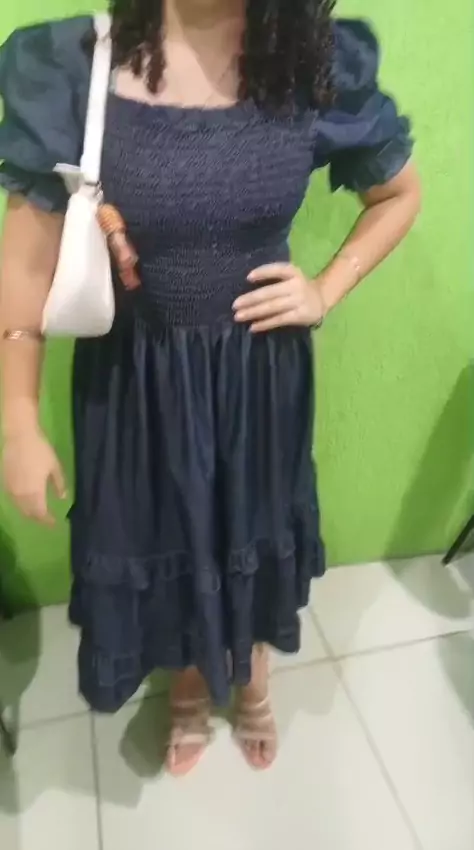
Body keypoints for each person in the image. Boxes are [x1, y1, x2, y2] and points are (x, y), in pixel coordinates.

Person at [0, 0, 420, 775]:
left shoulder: (313, 61)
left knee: (249, 530)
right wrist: (19, 421)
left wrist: (325, 289)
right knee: (163, 536)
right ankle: (188, 685)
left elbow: (399, 195)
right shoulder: (77, 66)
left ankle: (252, 675)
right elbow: (26, 260)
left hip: (259, 380)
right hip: (137, 384)